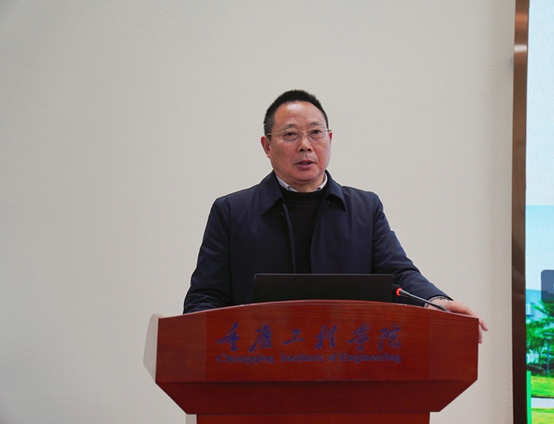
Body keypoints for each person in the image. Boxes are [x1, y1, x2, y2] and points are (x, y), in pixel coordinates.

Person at [183, 89, 487, 342]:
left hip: (348, 366)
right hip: (256, 370)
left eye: (315, 133)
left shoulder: (364, 209)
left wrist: (436, 303)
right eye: (290, 134)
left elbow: (398, 275)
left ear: (330, 138)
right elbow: (205, 298)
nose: (305, 145)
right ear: (267, 146)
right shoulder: (232, 212)